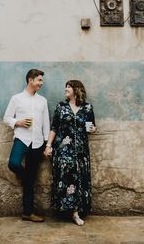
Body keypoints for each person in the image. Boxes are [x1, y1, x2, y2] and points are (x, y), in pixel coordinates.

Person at [44, 80, 96, 226]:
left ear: (76, 89)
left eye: (69, 87)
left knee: (79, 179)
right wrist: (48, 145)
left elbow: (92, 126)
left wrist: (92, 129)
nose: (66, 89)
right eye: (65, 86)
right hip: (63, 150)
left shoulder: (87, 107)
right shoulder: (61, 107)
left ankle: (76, 212)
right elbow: (54, 127)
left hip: (80, 152)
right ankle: (69, 211)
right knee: (67, 179)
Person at [3, 68, 50, 222]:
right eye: (39, 80)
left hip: (37, 143)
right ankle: (26, 178)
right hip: (21, 139)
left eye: (41, 80)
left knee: (31, 182)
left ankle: (27, 213)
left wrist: (46, 144)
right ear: (31, 80)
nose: (41, 83)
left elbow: (46, 124)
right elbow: (6, 118)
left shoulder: (42, 101)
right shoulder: (16, 99)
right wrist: (18, 122)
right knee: (14, 163)